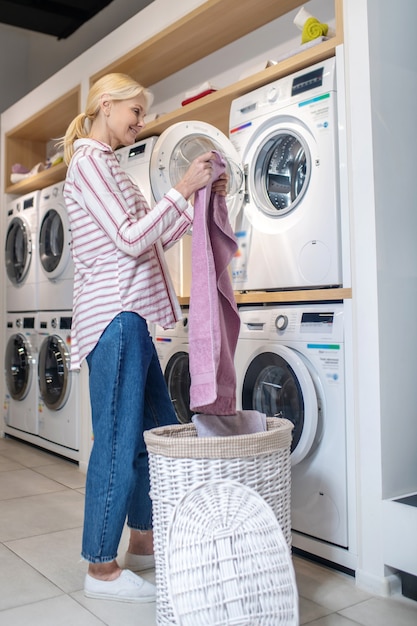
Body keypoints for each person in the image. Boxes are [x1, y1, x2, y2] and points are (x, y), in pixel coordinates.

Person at [62, 72, 228, 603]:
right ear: (107, 105)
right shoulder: (88, 162)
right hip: (114, 318)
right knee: (118, 440)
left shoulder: (109, 167)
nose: (141, 121)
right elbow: (132, 240)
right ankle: (100, 567)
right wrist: (180, 189)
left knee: (159, 433)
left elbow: (153, 238)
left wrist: (200, 195)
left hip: (128, 318)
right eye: (135, 111)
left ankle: (145, 537)